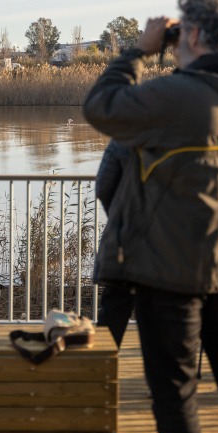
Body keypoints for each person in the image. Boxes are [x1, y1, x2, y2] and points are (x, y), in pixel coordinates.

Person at [83, 0, 218, 433]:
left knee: (175, 394)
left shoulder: (177, 95)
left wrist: (139, 51)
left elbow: (101, 107)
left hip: (170, 274)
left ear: (190, 36)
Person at [94, 141, 136, 348]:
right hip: (169, 250)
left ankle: (99, 370)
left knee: (113, 313)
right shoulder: (187, 132)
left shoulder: (126, 134)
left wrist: (120, 218)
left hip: (125, 244)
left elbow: (103, 186)